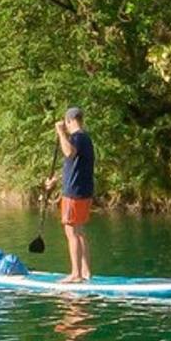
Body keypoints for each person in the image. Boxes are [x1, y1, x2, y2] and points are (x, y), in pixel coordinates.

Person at [55, 106, 95, 283]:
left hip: (74, 192)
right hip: (83, 191)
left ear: (70, 121)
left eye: (66, 122)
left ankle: (76, 274)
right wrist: (55, 180)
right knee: (79, 232)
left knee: (71, 232)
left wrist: (60, 133)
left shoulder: (77, 137)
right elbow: (73, 165)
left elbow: (69, 152)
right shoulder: (85, 138)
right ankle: (85, 272)